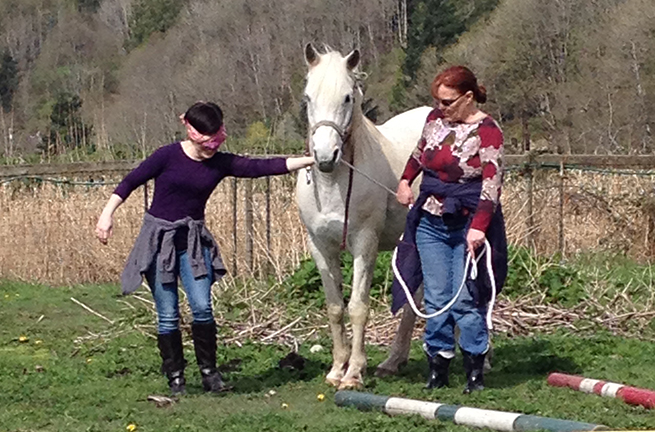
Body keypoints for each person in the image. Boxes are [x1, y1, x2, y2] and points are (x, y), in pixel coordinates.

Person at [95, 101, 314, 395]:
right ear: (191, 131)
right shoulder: (167, 156)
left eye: (217, 140)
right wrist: (106, 215)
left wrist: (308, 160)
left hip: (194, 244)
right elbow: (130, 182)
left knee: (202, 306)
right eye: (207, 140)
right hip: (160, 242)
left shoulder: (219, 163)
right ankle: (175, 378)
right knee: (168, 314)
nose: (212, 147)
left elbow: (259, 167)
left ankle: (210, 374)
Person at [392, 66, 507, 394]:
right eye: (438, 102)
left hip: (468, 223)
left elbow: (491, 182)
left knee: (465, 299)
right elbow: (419, 154)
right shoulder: (434, 121)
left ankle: (474, 369)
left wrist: (479, 228)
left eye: (448, 102)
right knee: (437, 298)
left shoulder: (488, 130)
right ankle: (437, 367)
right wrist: (404, 181)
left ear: (468, 97)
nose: (441, 108)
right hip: (431, 223)